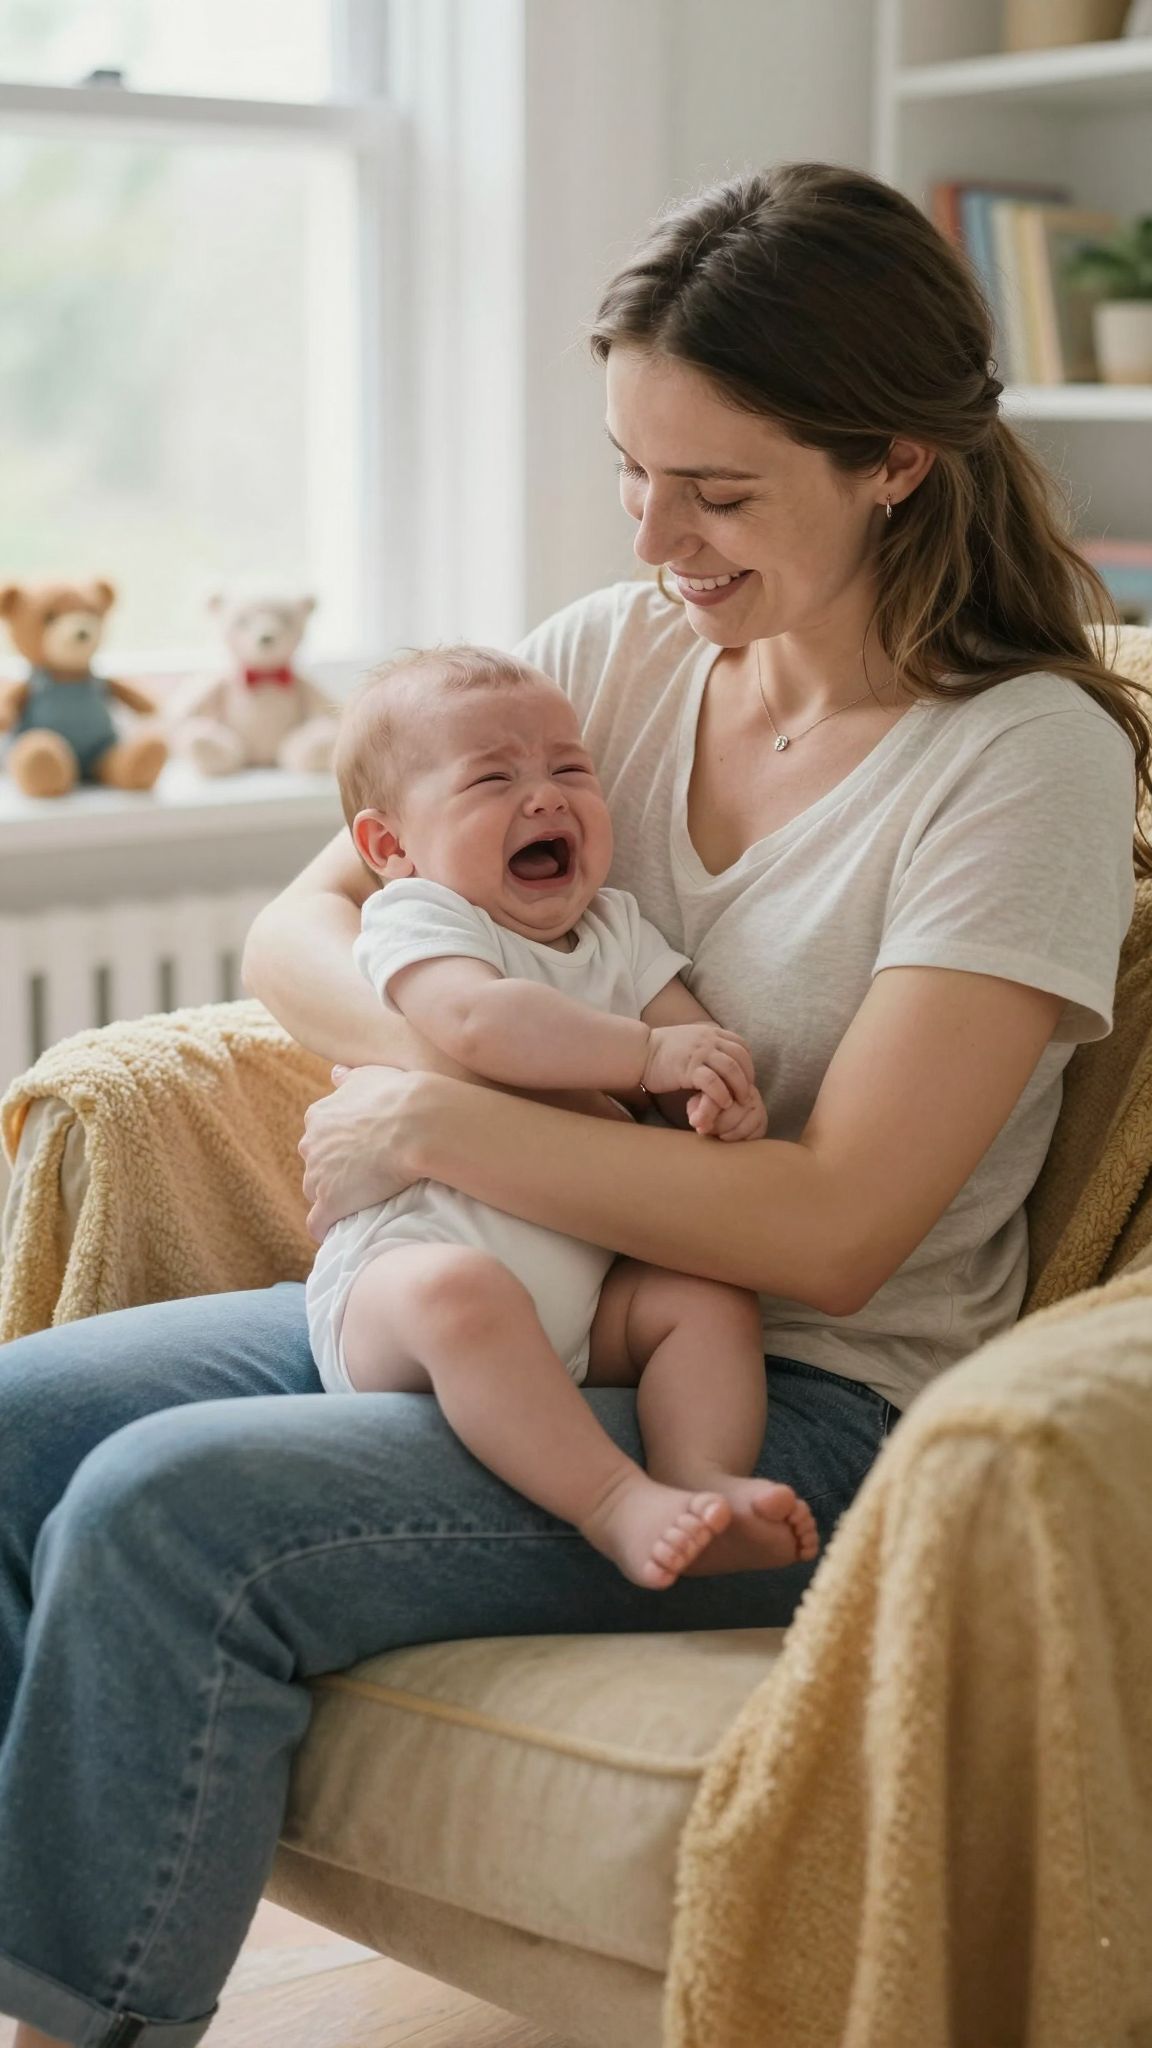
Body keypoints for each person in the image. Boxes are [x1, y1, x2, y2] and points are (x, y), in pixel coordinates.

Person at [1, 161, 1147, 2048]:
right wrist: (454, 1062)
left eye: (716, 489)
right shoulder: (615, 656)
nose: (658, 533)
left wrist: (437, 1124)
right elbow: (311, 917)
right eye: (632, 468)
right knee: (16, 1425)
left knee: (158, 1507)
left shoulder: (1011, 760)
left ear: (892, 463)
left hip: (801, 1390)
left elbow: (839, 1218)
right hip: (491, 1277)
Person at [309, 644, 818, 1588]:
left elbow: (685, 1042)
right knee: (463, 1293)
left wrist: (714, 1091)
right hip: (400, 1301)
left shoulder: (619, 929)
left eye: (568, 770)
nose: (544, 798)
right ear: (390, 847)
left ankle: (702, 1480)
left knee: (704, 1300)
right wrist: (643, 1056)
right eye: (493, 779)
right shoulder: (426, 918)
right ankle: (614, 1504)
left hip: (579, 1313)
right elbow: (478, 1025)